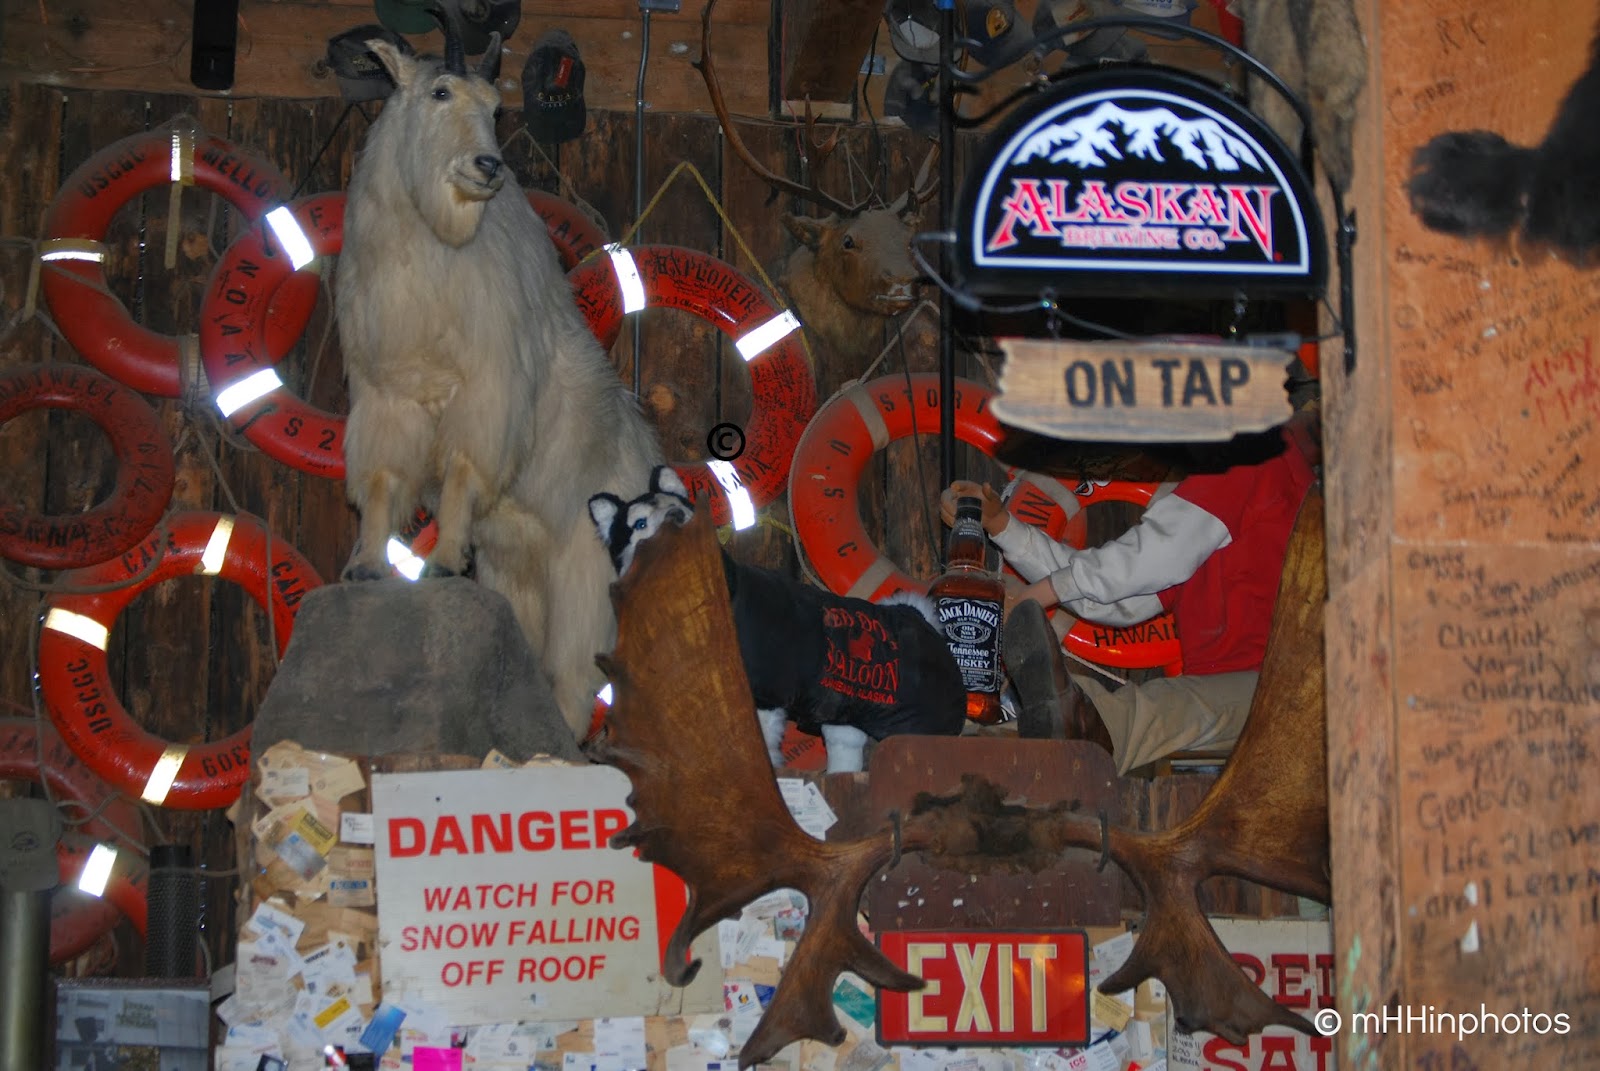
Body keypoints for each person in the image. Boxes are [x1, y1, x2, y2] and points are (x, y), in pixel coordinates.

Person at [940, 402, 1321, 774]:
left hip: (1278, 690)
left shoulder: (1256, 454)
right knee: (1097, 702)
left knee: (1149, 710)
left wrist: (1036, 596)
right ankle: (981, 750)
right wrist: (1006, 528)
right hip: (1242, 700)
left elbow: (1152, 557)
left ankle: (992, 760)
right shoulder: (1241, 489)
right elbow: (1124, 596)